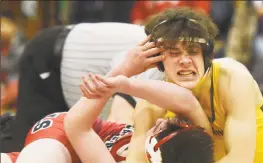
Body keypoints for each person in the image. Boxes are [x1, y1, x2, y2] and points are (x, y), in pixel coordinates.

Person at [84, 7, 263, 163]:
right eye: (174, 53)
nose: (185, 60)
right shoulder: (154, 102)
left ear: (206, 55)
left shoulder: (231, 78)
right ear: (158, 59)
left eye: (193, 51)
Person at [1, 74, 215, 163]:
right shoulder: (193, 144)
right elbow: (76, 126)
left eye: (164, 127)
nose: (160, 119)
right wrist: (124, 81)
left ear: (155, 149)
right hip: (67, 136)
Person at [1, 22, 165, 153]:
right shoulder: (157, 62)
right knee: (28, 150)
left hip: (73, 87)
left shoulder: (176, 60)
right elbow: (119, 131)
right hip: (50, 60)